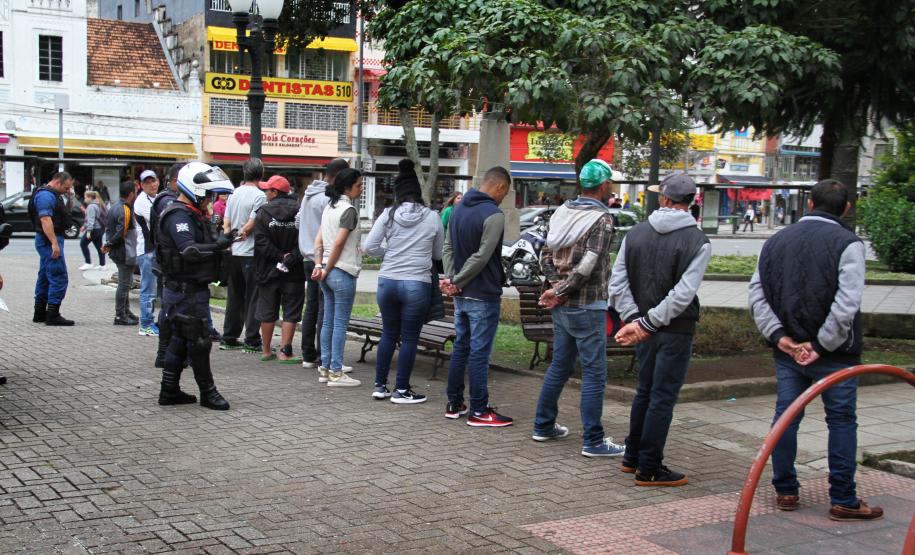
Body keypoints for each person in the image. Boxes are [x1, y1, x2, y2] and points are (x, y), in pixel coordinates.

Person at [748, 179, 882, 521]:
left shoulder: (775, 241)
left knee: (786, 418)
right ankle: (843, 498)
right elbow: (847, 302)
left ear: (809, 204)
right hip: (835, 354)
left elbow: (757, 294)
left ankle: (786, 491)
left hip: (789, 350)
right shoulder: (848, 244)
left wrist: (780, 337)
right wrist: (821, 345)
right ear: (846, 208)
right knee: (840, 421)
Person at [608, 173, 711, 486]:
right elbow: (684, 293)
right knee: (662, 397)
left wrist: (636, 321)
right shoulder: (698, 241)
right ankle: (649, 467)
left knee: (646, 391)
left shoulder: (636, 233)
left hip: (642, 326)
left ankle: (633, 456)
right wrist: (647, 322)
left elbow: (617, 282)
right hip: (675, 328)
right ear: (690, 202)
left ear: (665, 199)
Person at [533, 159, 624, 456]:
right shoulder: (603, 219)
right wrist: (561, 291)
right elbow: (588, 265)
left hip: (563, 307)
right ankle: (593, 440)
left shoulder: (563, 211)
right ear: (604, 185)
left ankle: (543, 425)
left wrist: (556, 290)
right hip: (588, 305)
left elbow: (544, 255)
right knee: (595, 373)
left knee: (560, 365)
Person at [364, 159, 444, 404]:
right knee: (409, 338)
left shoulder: (387, 215)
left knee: (388, 334)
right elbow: (438, 254)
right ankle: (401, 390)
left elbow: (369, 247)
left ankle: (379, 386)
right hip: (416, 284)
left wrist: (389, 253)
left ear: (398, 193)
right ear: (418, 193)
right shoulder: (432, 217)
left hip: (387, 281)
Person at [156, 162, 235, 410]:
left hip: (186, 288)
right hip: (185, 290)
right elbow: (188, 250)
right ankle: (208, 392)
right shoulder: (179, 214)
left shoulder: (188, 212)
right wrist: (218, 246)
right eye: (208, 194)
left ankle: (169, 390)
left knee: (180, 339)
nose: (210, 200)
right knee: (199, 341)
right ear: (195, 190)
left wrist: (222, 240)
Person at [440, 166, 513, 427]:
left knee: (461, 347)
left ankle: (454, 402)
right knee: (479, 353)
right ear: (500, 187)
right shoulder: (493, 215)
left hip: (460, 292)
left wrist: (451, 279)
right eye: (505, 193)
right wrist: (456, 280)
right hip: (482, 293)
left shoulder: (458, 209)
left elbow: (447, 246)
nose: (504, 198)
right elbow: (483, 256)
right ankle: (479, 410)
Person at [311, 168, 364, 387]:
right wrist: (327, 267)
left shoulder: (329, 208)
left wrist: (319, 265)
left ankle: (326, 368)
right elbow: (340, 243)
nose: (361, 189)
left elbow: (318, 242)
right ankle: (336, 371)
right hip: (342, 271)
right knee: (339, 323)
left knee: (329, 322)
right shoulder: (348, 210)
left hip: (325, 270)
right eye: (359, 185)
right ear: (347, 187)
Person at [297, 158, 350, 369]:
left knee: (311, 307)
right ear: (338, 177)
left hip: (306, 257)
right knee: (324, 308)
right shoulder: (329, 199)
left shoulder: (308, 195)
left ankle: (308, 354)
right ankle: (323, 355)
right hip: (322, 258)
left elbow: (299, 221)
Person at [253, 175, 306, 364]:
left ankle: (266, 351)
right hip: (295, 270)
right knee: (291, 311)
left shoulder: (263, 213)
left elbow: (260, 241)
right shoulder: (301, 211)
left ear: (275, 192)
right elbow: (305, 241)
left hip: (268, 270)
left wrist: (278, 256)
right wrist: (290, 257)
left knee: (267, 310)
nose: (265, 193)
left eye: (267, 189)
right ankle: (285, 352)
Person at [221, 158, 267, 352]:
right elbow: (252, 222)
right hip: (250, 252)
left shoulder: (234, 193)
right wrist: (243, 234)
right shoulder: (260, 196)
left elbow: (226, 221)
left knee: (234, 296)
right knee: (253, 296)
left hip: (233, 253)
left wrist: (229, 240)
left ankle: (229, 337)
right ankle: (252, 339)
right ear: (261, 174)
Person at [27, 171, 76, 326]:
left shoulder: (49, 194)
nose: (67, 191)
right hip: (48, 240)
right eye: (66, 188)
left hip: (46, 240)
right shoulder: (46, 196)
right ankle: (53, 314)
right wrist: (54, 243)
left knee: (44, 275)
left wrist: (69, 198)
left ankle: (40, 312)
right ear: (58, 182)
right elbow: (46, 219)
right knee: (58, 275)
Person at [153, 164, 183, 368]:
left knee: (169, 309)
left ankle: (166, 354)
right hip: (170, 264)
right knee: (171, 310)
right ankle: (165, 355)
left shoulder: (168, 200)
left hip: (168, 262)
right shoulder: (169, 202)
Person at [104, 181, 139, 326]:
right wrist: (110, 244)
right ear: (131, 193)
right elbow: (121, 232)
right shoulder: (125, 209)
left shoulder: (115, 207)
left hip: (119, 250)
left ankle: (125, 311)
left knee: (126, 282)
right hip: (124, 251)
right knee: (124, 284)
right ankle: (120, 315)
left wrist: (108, 244)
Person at [134, 170, 160, 336]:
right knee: (148, 290)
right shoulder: (141, 201)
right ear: (141, 185)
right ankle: (145, 324)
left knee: (154, 289)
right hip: (146, 251)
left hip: (155, 250)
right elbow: (158, 218)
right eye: (147, 182)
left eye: (153, 181)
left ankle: (150, 322)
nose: (152, 184)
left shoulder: (156, 198)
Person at [78, 191, 107, 270]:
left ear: (90, 198)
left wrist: (88, 232)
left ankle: (88, 263)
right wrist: (84, 226)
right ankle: (102, 264)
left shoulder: (91, 206)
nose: (85, 199)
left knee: (83, 244)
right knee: (99, 247)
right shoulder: (97, 204)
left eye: (85, 197)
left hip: (94, 230)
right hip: (99, 229)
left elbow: (91, 220)